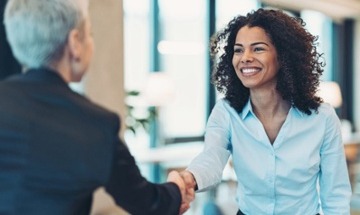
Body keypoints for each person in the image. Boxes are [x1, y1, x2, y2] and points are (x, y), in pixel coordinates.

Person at [0, 0, 193, 214]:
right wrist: (176, 187)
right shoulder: (95, 124)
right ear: (75, 43)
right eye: (89, 33)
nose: (91, 41)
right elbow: (148, 203)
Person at [179, 8, 352, 215]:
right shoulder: (226, 112)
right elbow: (212, 158)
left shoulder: (322, 117)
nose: (245, 58)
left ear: (283, 56)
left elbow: (335, 195)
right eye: (238, 50)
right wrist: (189, 178)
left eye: (258, 49)